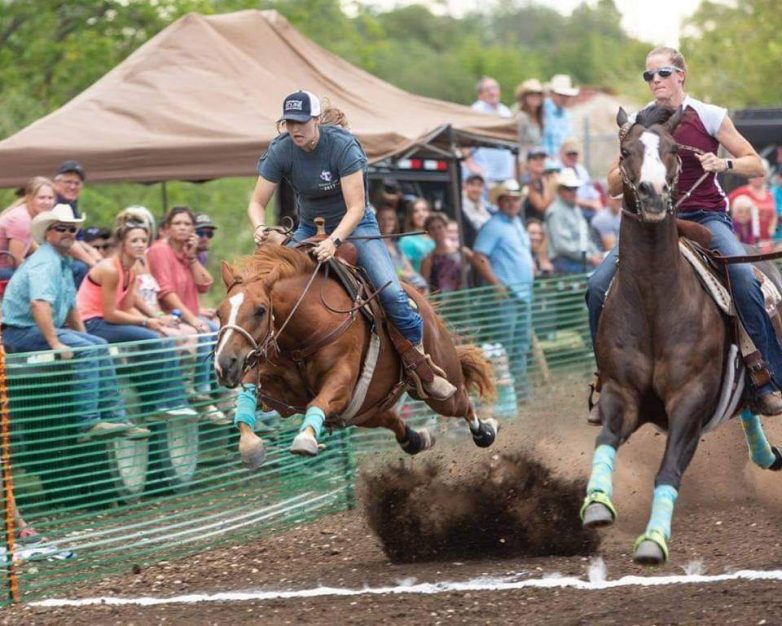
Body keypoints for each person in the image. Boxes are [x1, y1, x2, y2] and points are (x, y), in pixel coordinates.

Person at [586, 46, 780, 414]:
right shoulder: (638, 124)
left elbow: (757, 165)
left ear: (680, 75)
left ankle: (765, 376)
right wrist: (630, 168)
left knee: (741, 278)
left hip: (706, 217)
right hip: (652, 225)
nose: (654, 80)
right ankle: (606, 380)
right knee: (597, 287)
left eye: (661, 73)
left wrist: (724, 162)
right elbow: (612, 185)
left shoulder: (708, 115)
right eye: (648, 75)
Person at [248, 91, 456, 421]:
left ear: (316, 120)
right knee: (266, 289)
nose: (295, 129)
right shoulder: (281, 149)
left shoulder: (343, 146)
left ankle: (420, 365)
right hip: (306, 227)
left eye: (301, 122)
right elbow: (256, 202)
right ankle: (264, 371)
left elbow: (357, 207)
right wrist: (259, 228)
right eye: (289, 123)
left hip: (356, 225)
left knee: (390, 292)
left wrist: (334, 240)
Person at [1, 204, 147, 440]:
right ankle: (88, 423)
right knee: (89, 349)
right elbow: (39, 304)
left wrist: (83, 336)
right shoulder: (45, 262)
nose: (68, 233)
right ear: (49, 232)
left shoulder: (63, 262)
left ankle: (117, 418)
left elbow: (70, 307)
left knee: (98, 343)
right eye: (62, 228)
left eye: (73, 229)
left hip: (35, 328)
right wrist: (55, 342)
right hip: (21, 332)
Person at [76, 216, 198, 421]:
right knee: (155, 340)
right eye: (134, 241)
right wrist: (145, 322)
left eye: (143, 240)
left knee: (162, 335)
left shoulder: (130, 272)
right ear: (122, 244)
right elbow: (110, 313)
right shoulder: (111, 269)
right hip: (91, 323)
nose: (140, 245)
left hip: (106, 322)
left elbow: (128, 305)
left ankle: (170, 402)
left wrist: (157, 318)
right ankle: (165, 402)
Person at [146, 205, 229, 424]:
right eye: (178, 224)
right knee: (203, 333)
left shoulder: (189, 253)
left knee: (220, 330)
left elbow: (205, 285)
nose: (183, 228)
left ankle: (221, 392)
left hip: (189, 314)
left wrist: (192, 258)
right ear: (167, 228)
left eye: (187, 224)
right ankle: (198, 392)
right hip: (171, 316)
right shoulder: (159, 250)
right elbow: (166, 292)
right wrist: (192, 318)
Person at [472, 179, 534, 393]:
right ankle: (504, 392)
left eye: (515, 199)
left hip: (522, 294)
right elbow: (479, 256)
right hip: (506, 295)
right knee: (504, 345)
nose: (512, 203)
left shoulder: (516, 223)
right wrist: (496, 284)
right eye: (507, 199)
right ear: (499, 202)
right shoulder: (493, 225)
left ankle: (519, 391)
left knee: (520, 345)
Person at [52, 160, 102, 287]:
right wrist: (92, 263)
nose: (73, 187)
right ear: (56, 183)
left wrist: (93, 252)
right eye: (68, 182)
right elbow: (67, 241)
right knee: (81, 267)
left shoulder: (71, 205)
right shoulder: (54, 204)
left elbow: (78, 239)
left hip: (62, 256)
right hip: (47, 258)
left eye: (77, 183)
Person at [545, 168, 602, 274]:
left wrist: (596, 253)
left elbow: (584, 237)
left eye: (575, 188)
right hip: (564, 262)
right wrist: (590, 257)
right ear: (560, 190)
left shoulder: (575, 208)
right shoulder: (555, 211)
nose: (573, 192)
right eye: (568, 189)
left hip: (580, 259)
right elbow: (562, 246)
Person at [463, 77, 515, 186]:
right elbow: (464, 141)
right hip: (484, 175)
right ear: (480, 94)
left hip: (505, 173)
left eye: (494, 88)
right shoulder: (475, 112)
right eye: (487, 90)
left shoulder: (506, 112)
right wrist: (471, 165)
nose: (492, 92)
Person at [0, 177, 56, 279]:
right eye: (42, 198)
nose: (47, 202)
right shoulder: (21, 219)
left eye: (50, 198)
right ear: (29, 198)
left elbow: (30, 244)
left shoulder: (29, 215)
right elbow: (16, 260)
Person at [376, 206, 428, 294]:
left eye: (390, 219)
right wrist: (403, 275)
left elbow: (410, 270)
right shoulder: (377, 246)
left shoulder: (396, 246)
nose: (386, 222)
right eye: (382, 219)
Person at [728, 159, 776, 246]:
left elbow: (775, 216)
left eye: (760, 174)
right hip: (747, 243)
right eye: (754, 174)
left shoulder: (771, 194)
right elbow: (724, 208)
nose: (757, 177)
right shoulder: (740, 192)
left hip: (768, 243)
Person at [557, 139, 603, 220]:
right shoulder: (558, 171)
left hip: (588, 210)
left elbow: (592, 193)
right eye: (569, 154)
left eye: (574, 154)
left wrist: (597, 204)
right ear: (561, 154)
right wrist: (590, 204)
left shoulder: (581, 170)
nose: (572, 157)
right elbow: (566, 197)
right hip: (569, 210)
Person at [420, 212, 463, 294]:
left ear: (446, 227)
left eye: (440, 227)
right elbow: (424, 286)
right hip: (442, 302)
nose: (437, 231)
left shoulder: (461, 251)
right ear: (428, 233)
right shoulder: (428, 259)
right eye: (432, 229)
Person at [542, 74, 579, 158]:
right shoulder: (542, 111)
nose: (564, 98)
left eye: (567, 96)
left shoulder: (566, 116)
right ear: (551, 94)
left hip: (562, 161)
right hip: (544, 162)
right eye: (560, 95)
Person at [399, 197, 435, 273]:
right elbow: (403, 270)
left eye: (424, 210)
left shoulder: (437, 235)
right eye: (416, 211)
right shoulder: (407, 240)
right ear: (411, 216)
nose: (421, 214)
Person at [513, 78, 545, 162]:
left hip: (536, 160)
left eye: (538, 95)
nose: (535, 97)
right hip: (523, 161)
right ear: (524, 98)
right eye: (531, 95)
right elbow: (516, 142)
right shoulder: (521, 117)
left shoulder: (539, 117)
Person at [523, 147, 557, 222]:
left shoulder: (543, 179)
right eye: (535, 159)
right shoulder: (527, 181)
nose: (539, 161)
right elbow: (542, 207)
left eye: (542, 159)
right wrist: (549, 184)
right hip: (531, 225)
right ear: (528, 163)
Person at [460, 174, 493, 249]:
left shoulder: (484, 207)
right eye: (472, 185)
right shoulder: (461, 206)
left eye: (479, 185)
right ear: (465, 186)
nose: (476, 189)